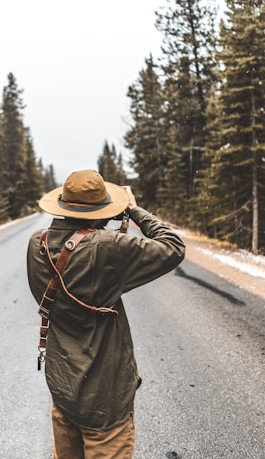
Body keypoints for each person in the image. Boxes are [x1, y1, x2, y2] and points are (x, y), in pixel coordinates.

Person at [27, 169, 185, 459]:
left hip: (63, 390)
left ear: (63, 204)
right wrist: (135, 211)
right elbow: (173, 247)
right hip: (105, 401)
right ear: (104, 209)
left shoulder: (37, 243)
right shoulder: (110, 248)